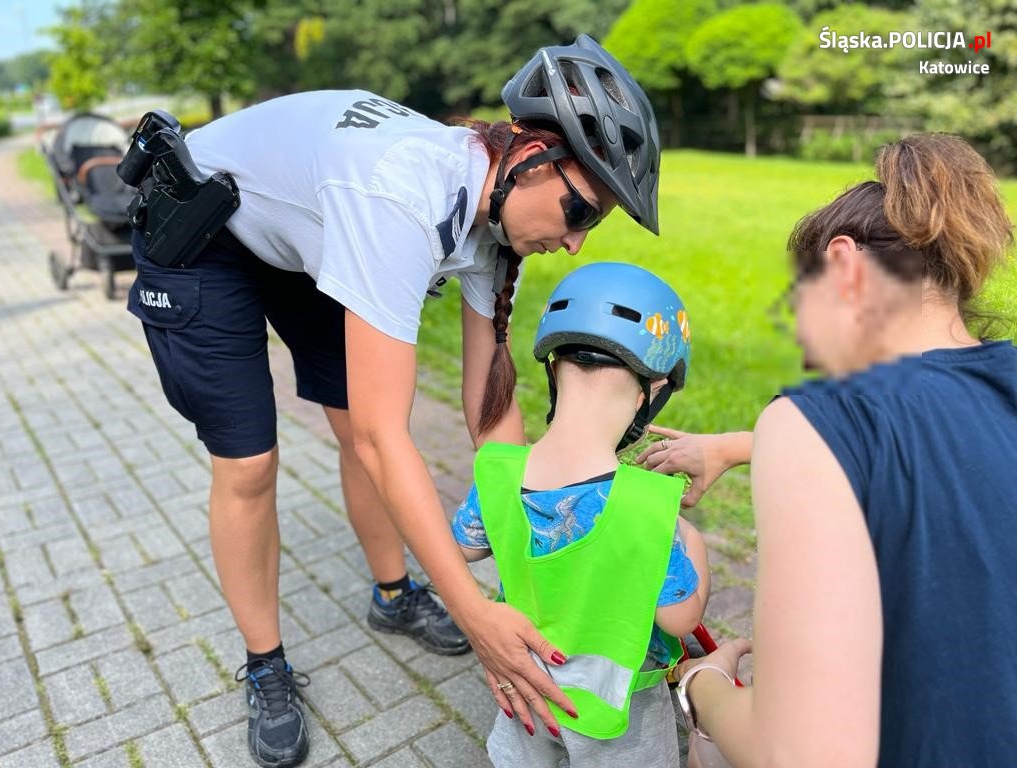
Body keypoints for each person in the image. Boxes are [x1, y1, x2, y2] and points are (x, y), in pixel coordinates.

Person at [125, 34, 662, 768]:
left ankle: (392, 592)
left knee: (355, 424)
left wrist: (546, 532)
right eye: (581, 211)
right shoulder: (400, 199)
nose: (575, 242)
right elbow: (389, 440)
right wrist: (476, 614)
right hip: (203, 235)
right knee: (252, 462)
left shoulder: (491, 224)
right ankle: (265, 664)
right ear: (531, 156)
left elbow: (487, 411)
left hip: (301, 238)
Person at [654, 134, 1017, 767]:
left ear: (844, 266)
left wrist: (702, 687)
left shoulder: (822, 420)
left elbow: (798, 757)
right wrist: (743, 447)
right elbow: (946, 455)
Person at [452, 262, 710, 767]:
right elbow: (681, 618)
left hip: (525, 688)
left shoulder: (498, 470)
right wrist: (689, 538)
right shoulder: (648, 506)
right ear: (652, 391)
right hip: (618, 711)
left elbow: (461, 546)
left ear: (552, 369)